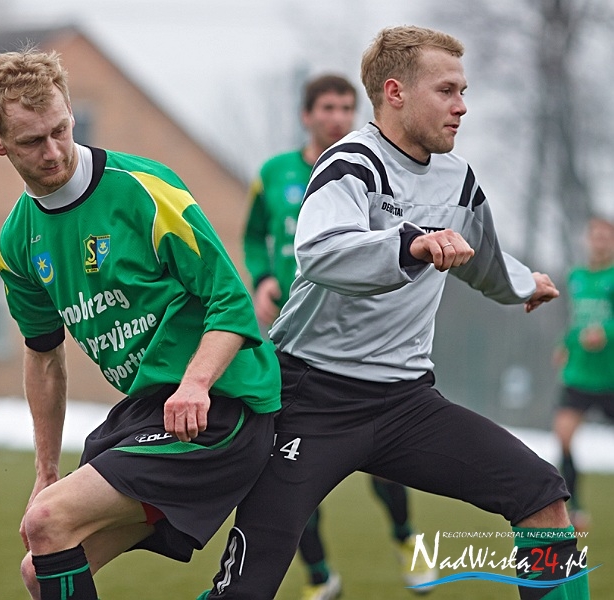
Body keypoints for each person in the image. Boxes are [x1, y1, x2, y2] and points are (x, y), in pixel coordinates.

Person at [200, 25, 590, 600]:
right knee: (246, 586)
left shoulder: (459, 179)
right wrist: (412, 243)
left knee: (542, 497)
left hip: (407, 403)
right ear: (395, 92)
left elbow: (479, 257)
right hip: (311, 398)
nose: (462, 106)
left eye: (463, 91)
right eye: (447, 90)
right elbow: (321, 251)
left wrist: (521, 284)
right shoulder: (351, 162)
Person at [0, 48, 281, 600]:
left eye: (61, 130)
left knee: (48, 522)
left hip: (220, 407)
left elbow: (232, 303)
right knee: (40, 572)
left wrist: (195, 384)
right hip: (148, 412)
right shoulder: (18, 241)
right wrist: (46, 470)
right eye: (31, 141)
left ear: (70, 112)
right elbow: (43, 355)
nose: (53, 151)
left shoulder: (143, 189)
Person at [243, 73, 436, 599]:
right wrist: (262, 279)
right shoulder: (274, 174)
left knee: (386, 457)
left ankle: (406, 540)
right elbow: (254, 235)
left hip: (357, 339)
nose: (337, 117)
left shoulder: (371, 169)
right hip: (291, 337)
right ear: (306, 115)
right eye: (327, 107)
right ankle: (319, 576)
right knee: (285, 458)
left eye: (346, 107)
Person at [553, 216, 614, 533]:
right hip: (579, 373)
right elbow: (575, 318)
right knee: (563, 435)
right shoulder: (575, 276)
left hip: (610, 375)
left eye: (606, 237)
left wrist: (606, 332)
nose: (599, 242)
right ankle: (575, 509)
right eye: (595, 236)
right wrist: (564, 345)